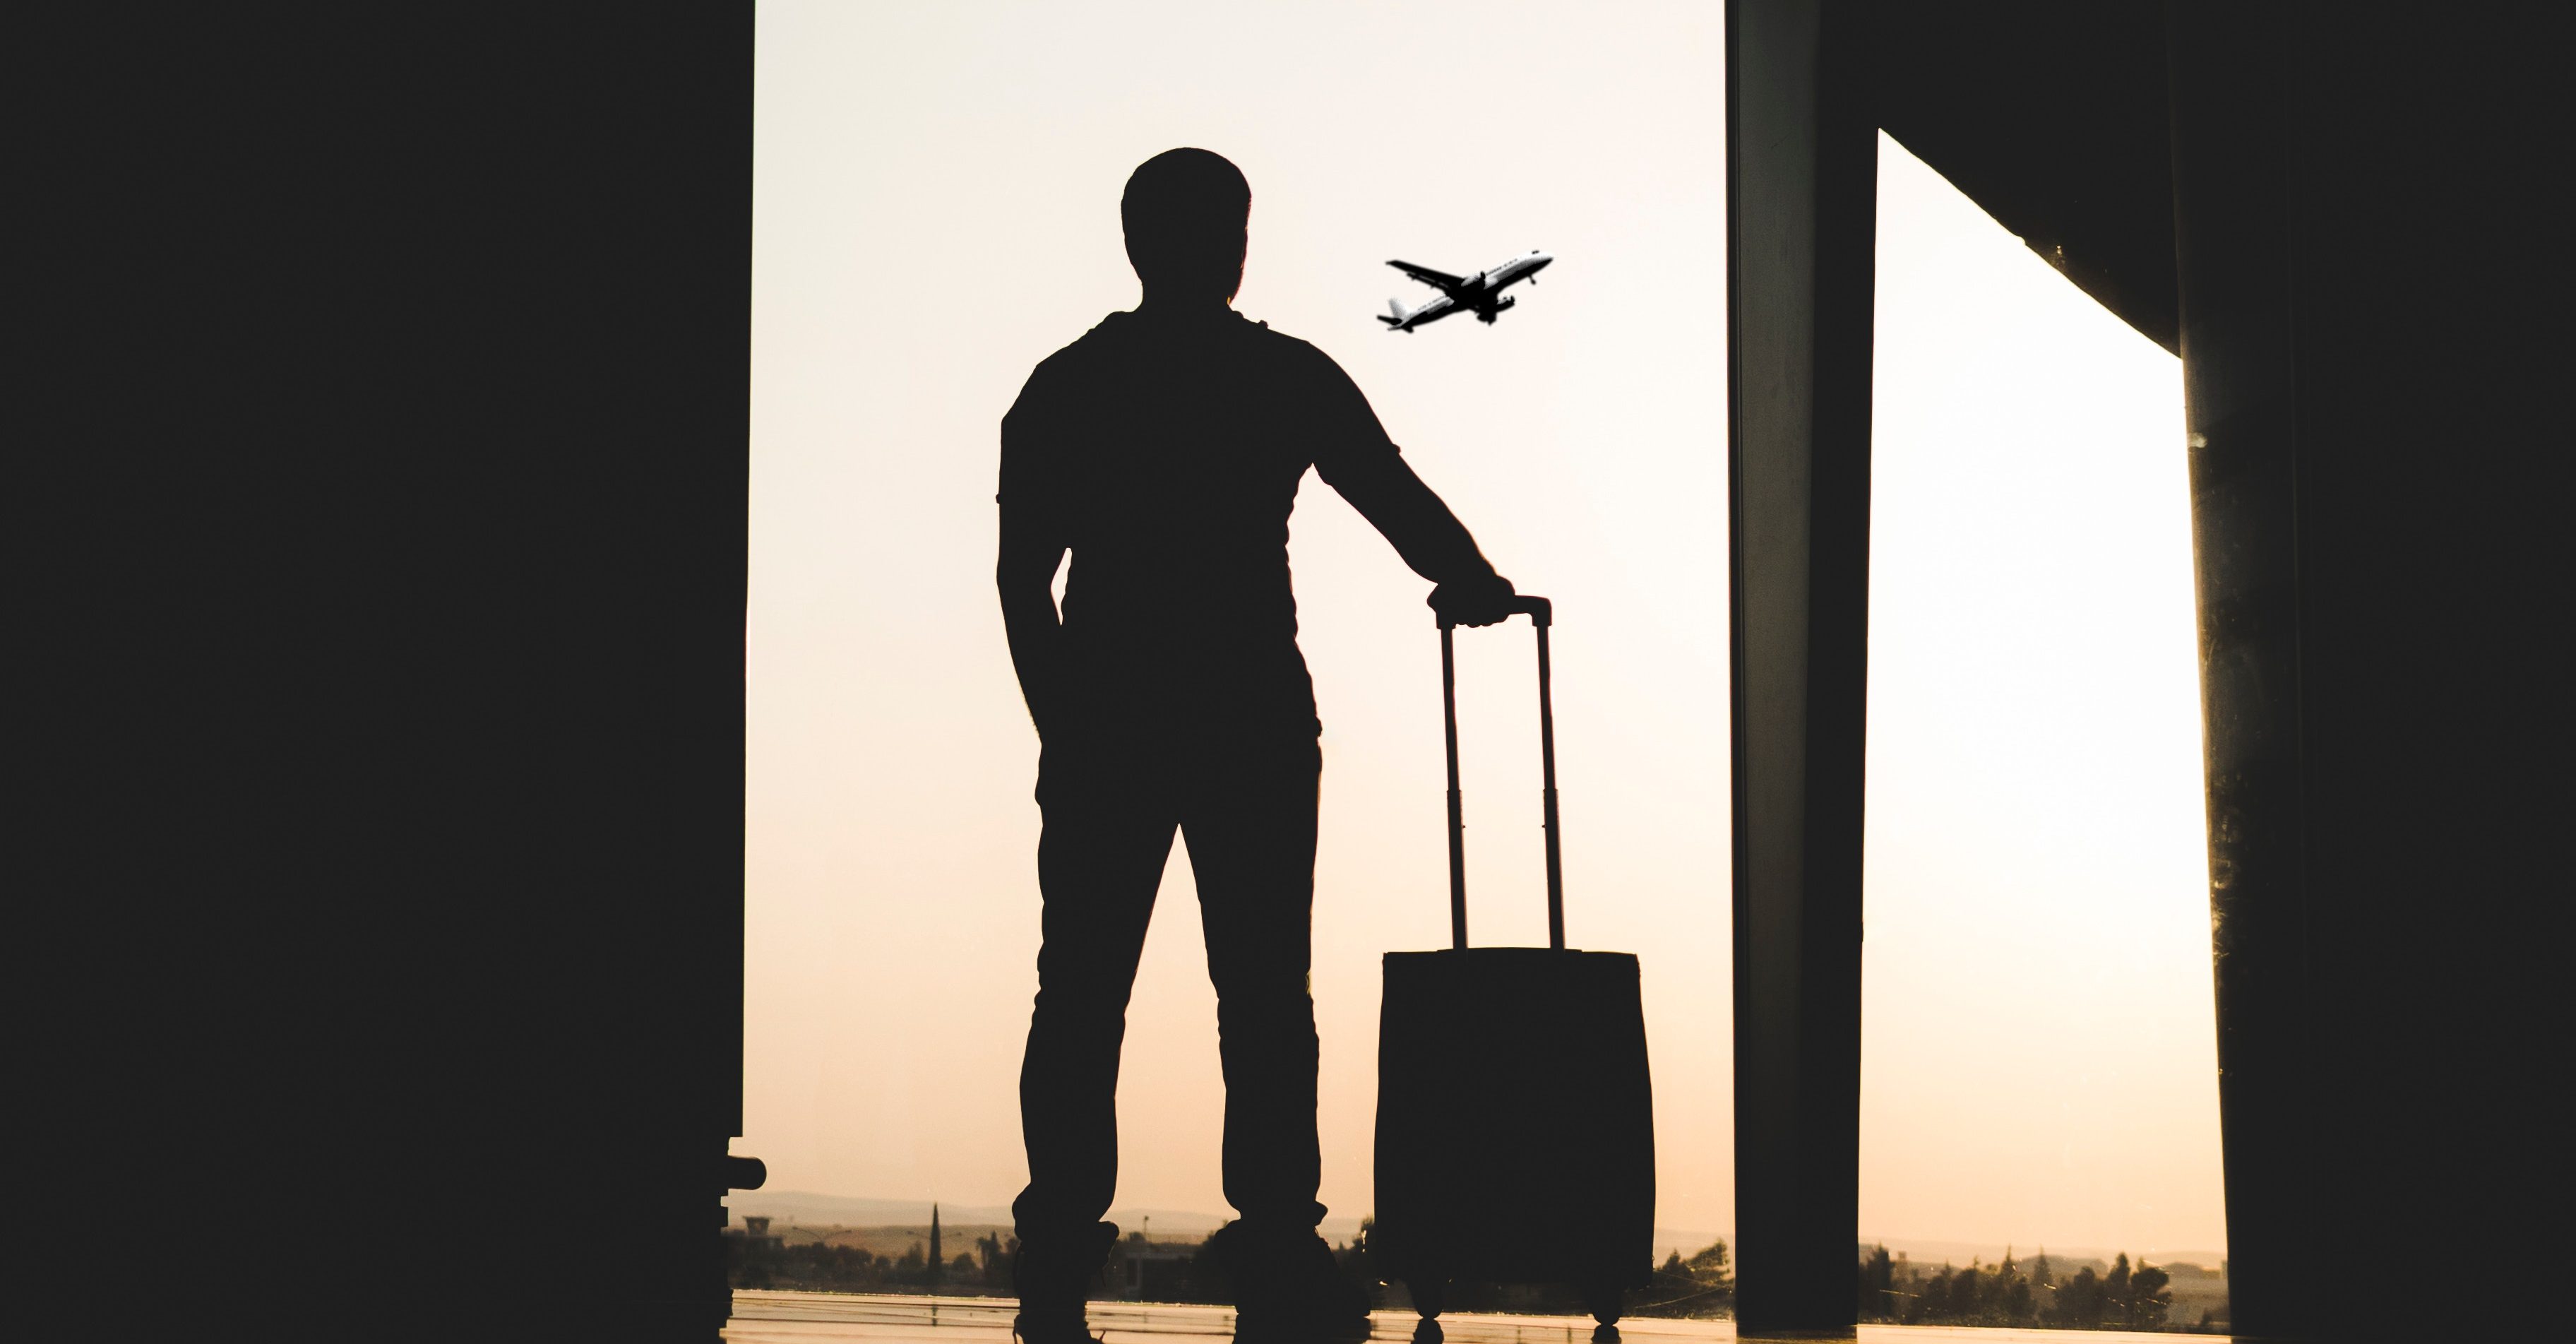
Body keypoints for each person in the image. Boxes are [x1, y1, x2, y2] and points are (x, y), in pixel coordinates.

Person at [997, 147, 1519, 1344]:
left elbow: (1025, 585)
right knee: (1265, 1001)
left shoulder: (1067, 388)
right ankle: (1278, 1248)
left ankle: (1060, 1260)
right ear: (1234, 245)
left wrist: (1065, 731)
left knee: (1080, 997)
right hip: (1250, 721)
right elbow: (1390, 494)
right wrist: (1475, 581)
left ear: (1134, 245)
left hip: (1114, 722)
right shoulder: (1280, 376)